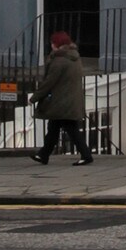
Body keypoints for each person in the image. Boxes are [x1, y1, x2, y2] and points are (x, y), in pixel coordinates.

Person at [31, 30, 92, 167]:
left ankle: (86, 155)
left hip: (61, 101)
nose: (51, 45)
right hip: (68, 100)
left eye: (53, 43)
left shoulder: (59, 61)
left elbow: (49, 82)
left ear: (56, 44)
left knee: (70, 130)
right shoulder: (74, 58)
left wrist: (35, 97)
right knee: (53, 128)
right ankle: (43, 155)